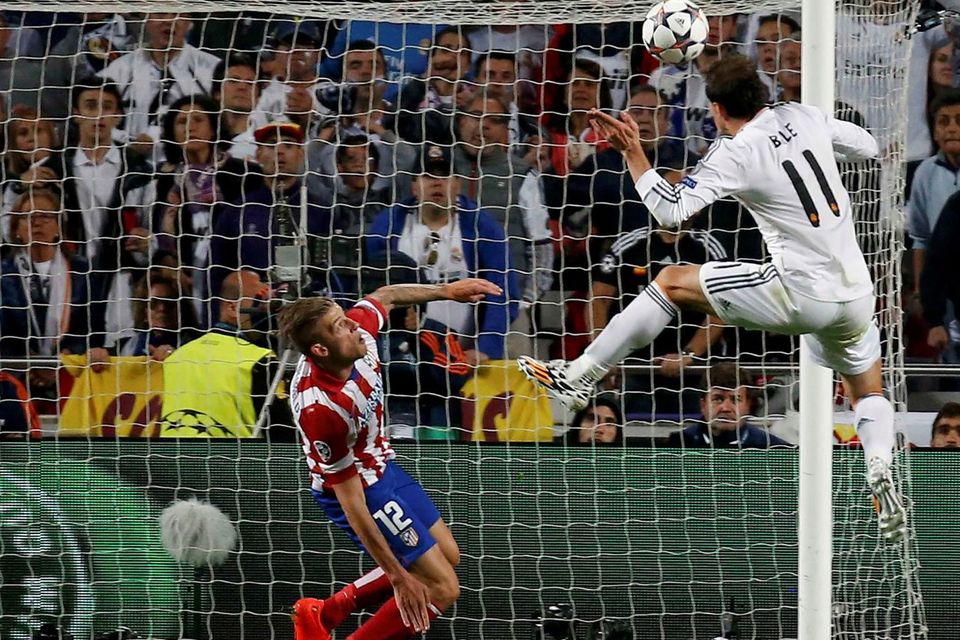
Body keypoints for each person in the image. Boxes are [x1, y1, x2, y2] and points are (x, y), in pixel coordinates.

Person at [518, 55, 907, 541]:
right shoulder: (803, 116)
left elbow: (670, 211)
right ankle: (879, 469)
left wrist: (634, 152)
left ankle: (581, 375)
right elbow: (868, 146)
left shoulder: (737, 150)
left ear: (718, 110)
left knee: (670, 280)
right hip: (854, 293)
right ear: (764, 95)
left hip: (800, 291)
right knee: (867, 391)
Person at [281, 277, 502, 639]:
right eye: (340, 325)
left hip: (381, 464)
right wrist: (398, 577)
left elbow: (386, 296)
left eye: (346, 317)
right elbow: (351, 502)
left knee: (447, 556)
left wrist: (446, 291)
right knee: (443, 587)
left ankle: (326, 611)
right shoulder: (322, 409)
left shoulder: (358, 337)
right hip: (356, 488)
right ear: (321, 350)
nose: (353, 323)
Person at [367, 143, 517, 364]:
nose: (437, 182)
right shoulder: (388, 225)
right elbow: (369, 287)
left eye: (445, 175)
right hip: (400, 354)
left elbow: (501, 291)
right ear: (414, 186)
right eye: (428, 176)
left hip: (465, 357)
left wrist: (486, 348)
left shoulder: (481, 227)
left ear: (457, 184)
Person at [159, 269, 292, 440]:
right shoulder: (259, 360)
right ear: (232, 308)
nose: (266, 312)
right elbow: (283, 434)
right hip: (233, 463)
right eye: (258, 302)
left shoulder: (178, 356)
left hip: (173, 461)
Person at [666, 362, 790, 448]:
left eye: (735, 399)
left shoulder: (772, 447)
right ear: (703, 405)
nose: (725, 408)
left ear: (748, 405)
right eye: (718, 399)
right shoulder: (677, 445)